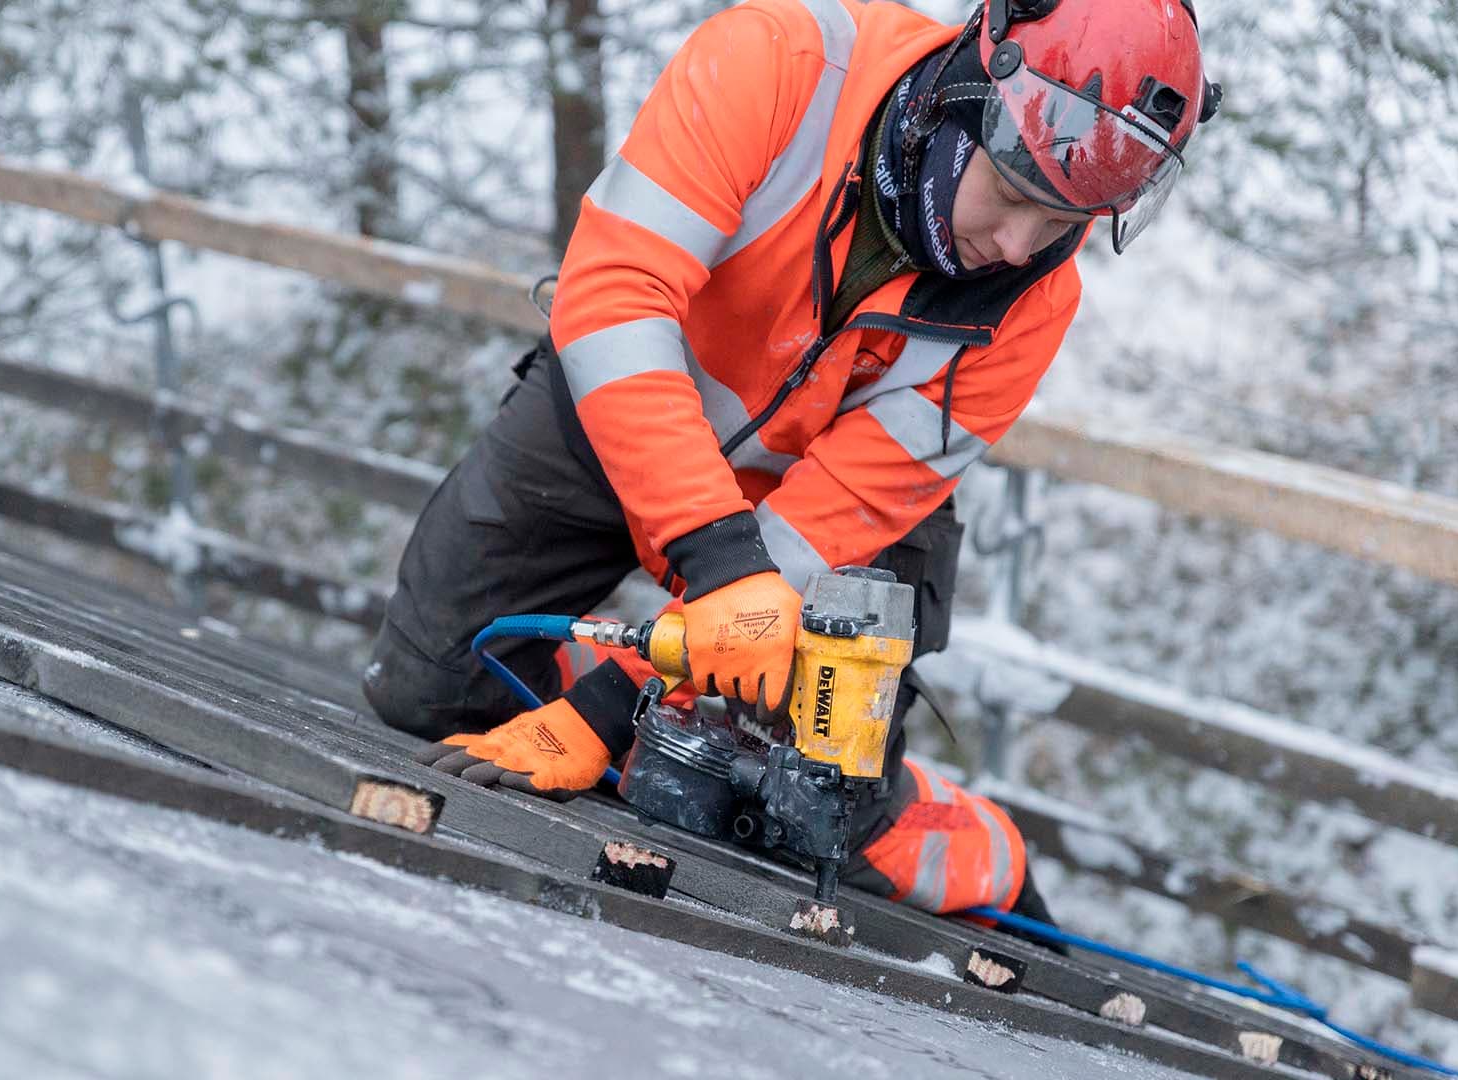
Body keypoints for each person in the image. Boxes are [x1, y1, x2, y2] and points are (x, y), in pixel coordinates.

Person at [364, 0, 1217, 917]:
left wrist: (613, 708)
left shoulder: (1031, 309)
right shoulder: (779, 65)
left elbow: (830, 517)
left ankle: (960, 841)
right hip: (634, 401)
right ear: (969, 87)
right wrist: (694, 591)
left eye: (1061, 221)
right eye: (1011, 193)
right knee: (431, 689)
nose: (1017, 244)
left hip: (819, 530)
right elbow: (614, 295)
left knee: (809, 817)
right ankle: (620, 710)